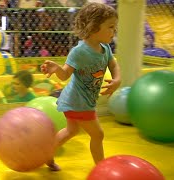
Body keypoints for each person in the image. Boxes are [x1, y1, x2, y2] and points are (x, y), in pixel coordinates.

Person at [40, 2, 121, 171]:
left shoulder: (105, 48)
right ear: (93, 27)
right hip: (79, 101)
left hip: (81, 100)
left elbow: (113, 65)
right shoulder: (80, 51)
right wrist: (56, 69)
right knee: (98, 134)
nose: (114, 31)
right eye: (111, 27)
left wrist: (117, 79)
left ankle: (47, 153)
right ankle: (101, 169)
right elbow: (65, 75)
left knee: (71, 130)